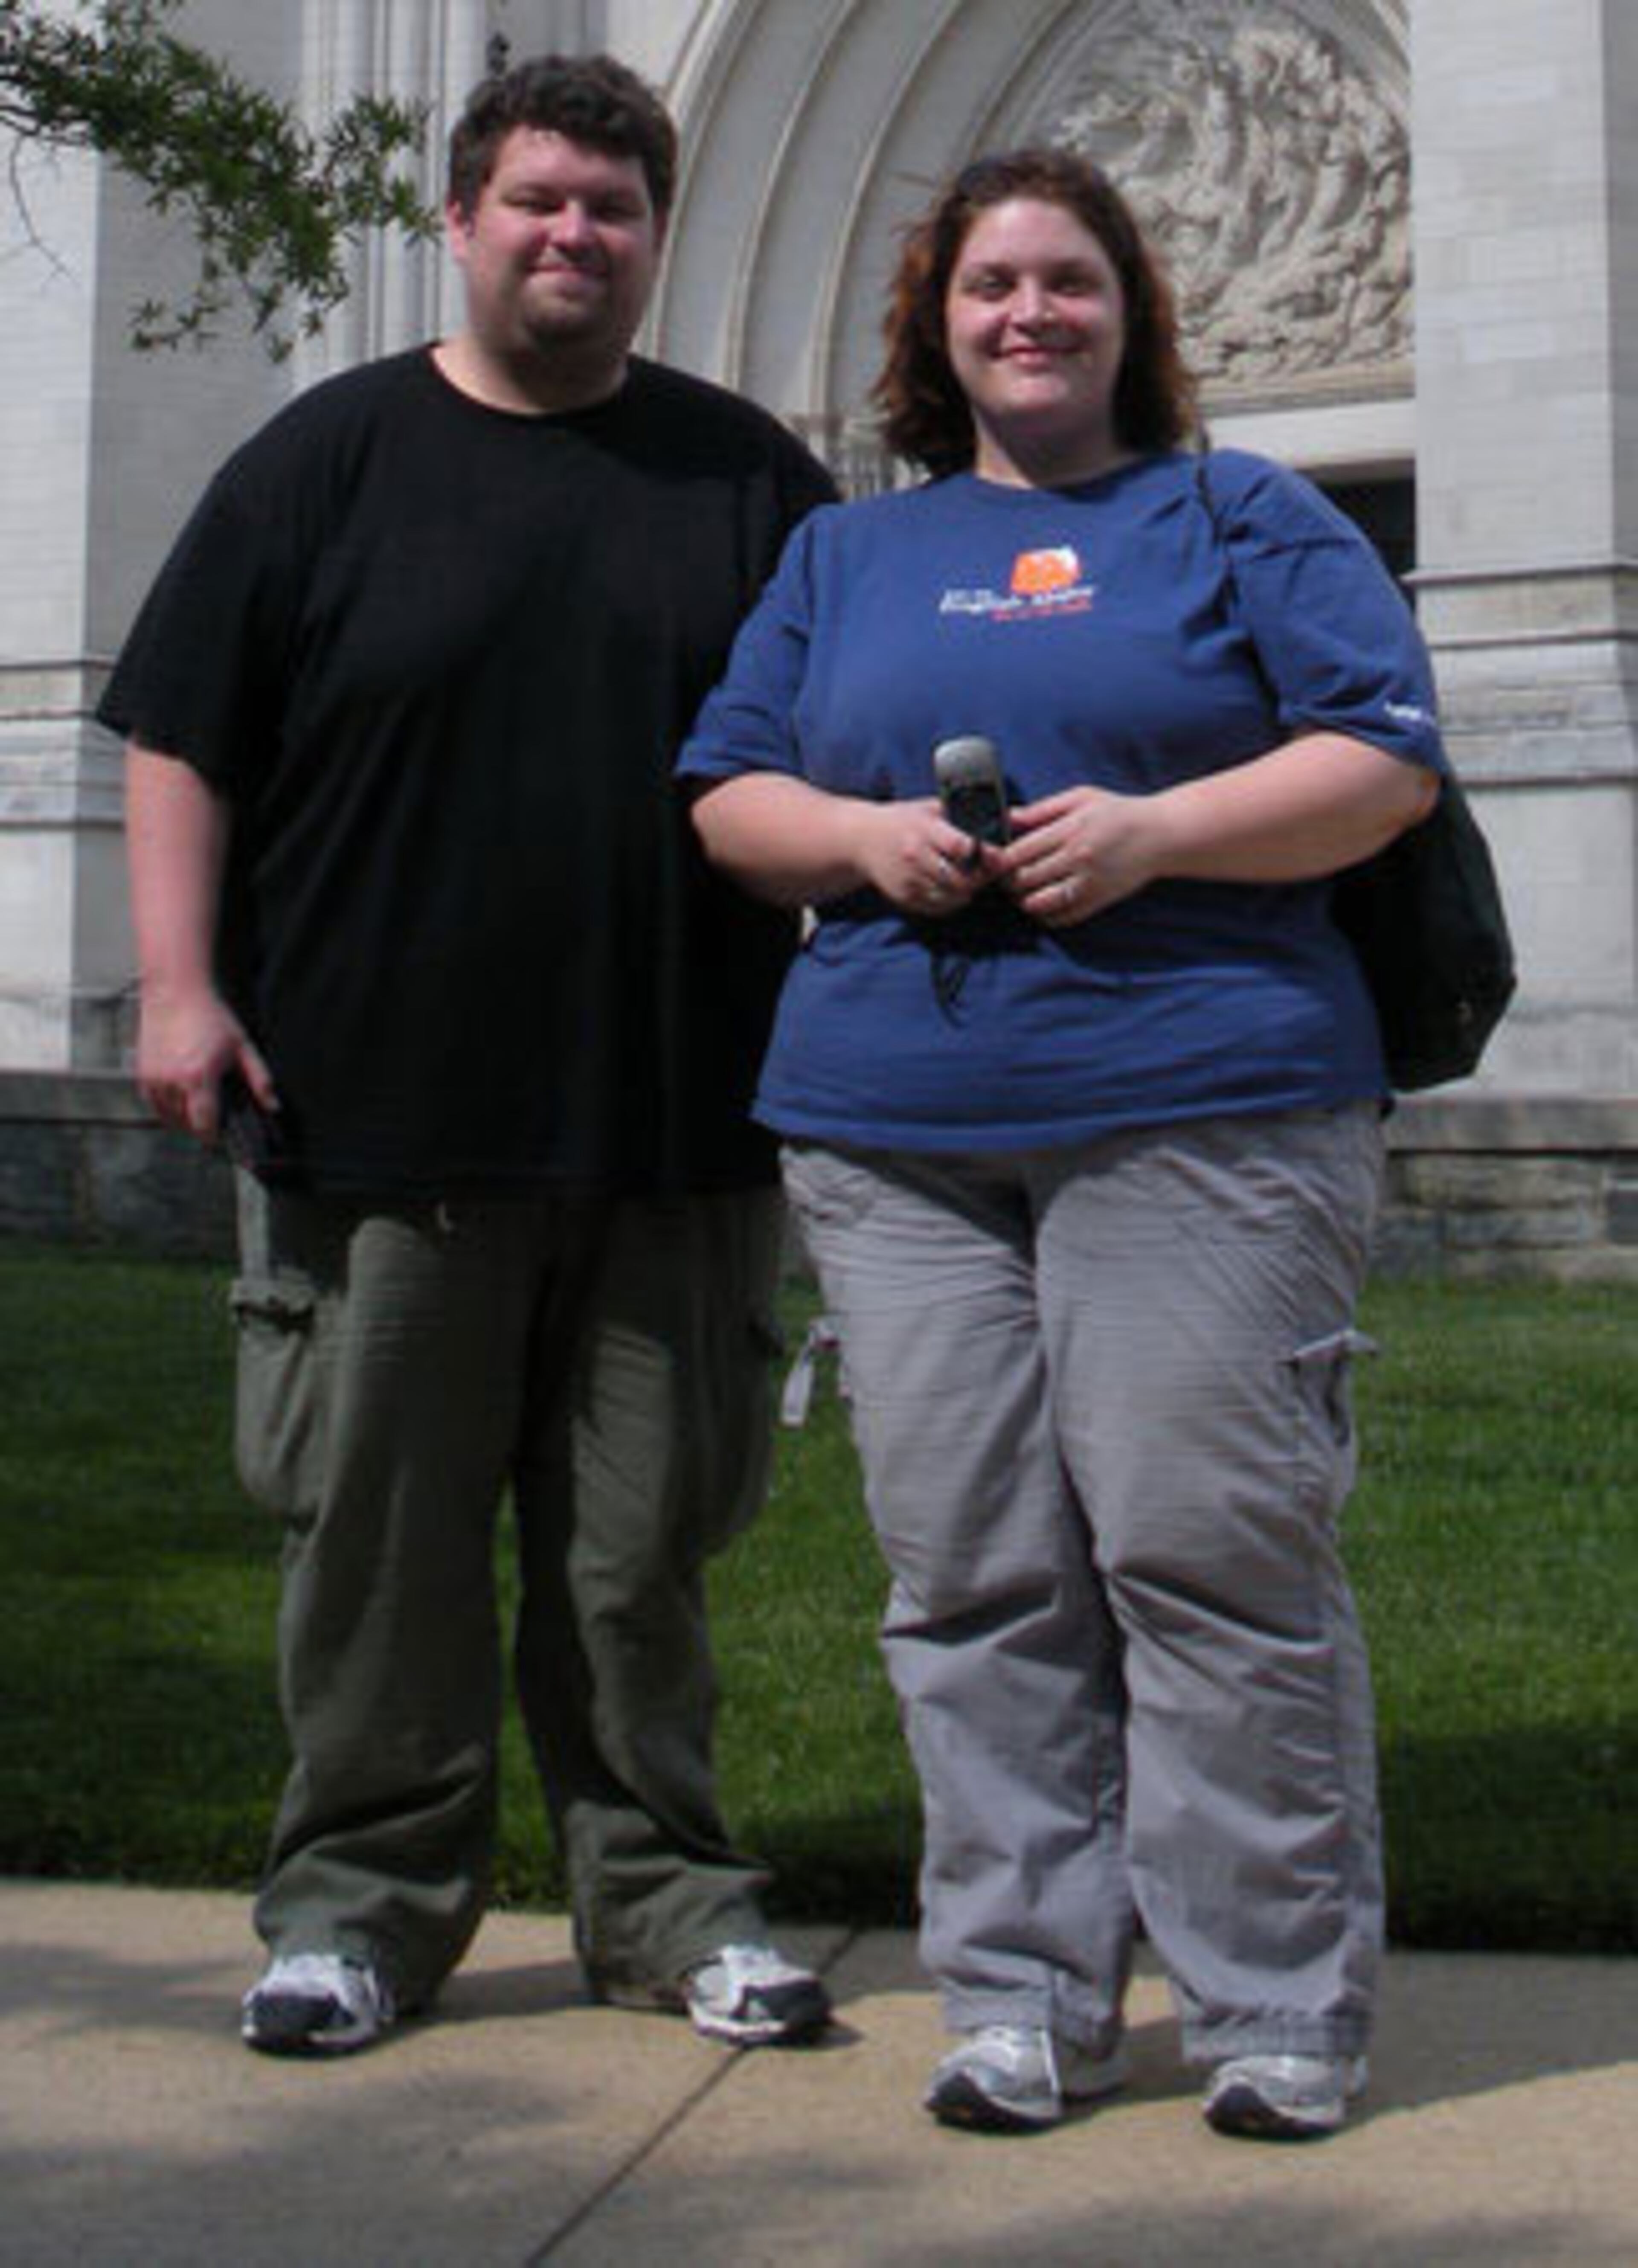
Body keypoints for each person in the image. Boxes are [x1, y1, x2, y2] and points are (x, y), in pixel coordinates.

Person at [678, 148, 1441, 2138]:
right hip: (895, 1129)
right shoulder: (849, 556)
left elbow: (1383, 759)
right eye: (991, 284)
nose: (1031, 312)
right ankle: (1020, 1996)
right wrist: (860, 842)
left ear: (1133, 313)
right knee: (976, 1576)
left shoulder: (1236, 513)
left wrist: (1157, 830)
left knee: (1211, 1557)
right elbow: (728, 798)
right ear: (935, 325)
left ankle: (1274, 2005)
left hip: (1207, 1099)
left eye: (1070, 280)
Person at [101, 51, 838, 2059]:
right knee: (381, 1556)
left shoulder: (753, 477)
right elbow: (180, 733)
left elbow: (850, 747)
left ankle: (669, 1904)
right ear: (458, 222)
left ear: (656, 240)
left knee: (637, 1566)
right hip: (374, 1117)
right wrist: (178, 989)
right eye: (535, 202)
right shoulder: (319, 461)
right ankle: (356, 1908)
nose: (571, 237)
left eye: (610, 210)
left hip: (676, 1118)